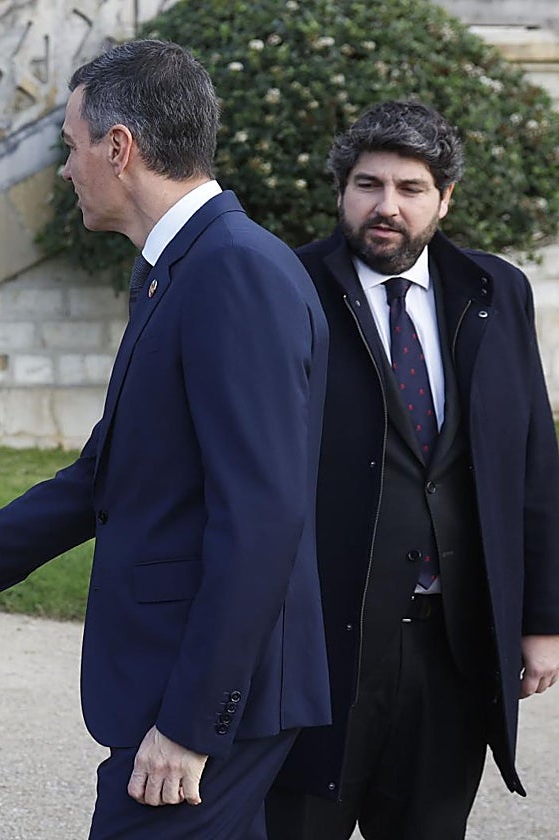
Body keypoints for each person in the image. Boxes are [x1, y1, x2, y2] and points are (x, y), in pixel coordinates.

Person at [0, 40, 332, 838]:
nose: (66, 170)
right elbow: (104, 475)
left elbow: (262, 519)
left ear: (119, 147)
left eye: (71, 148)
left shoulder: (232, 272)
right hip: (179, 692)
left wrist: (191, 726)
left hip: (203, 709)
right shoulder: (177, 269)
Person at [264, 100, 559, 840]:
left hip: (452, 647)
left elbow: (532, 463)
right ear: (340, 191)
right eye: (368, 185)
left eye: (410, 188)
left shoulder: (497, 293)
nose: (385, 206)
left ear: (445, 198)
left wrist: (543, 621)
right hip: (321, 650)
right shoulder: (284, 288)